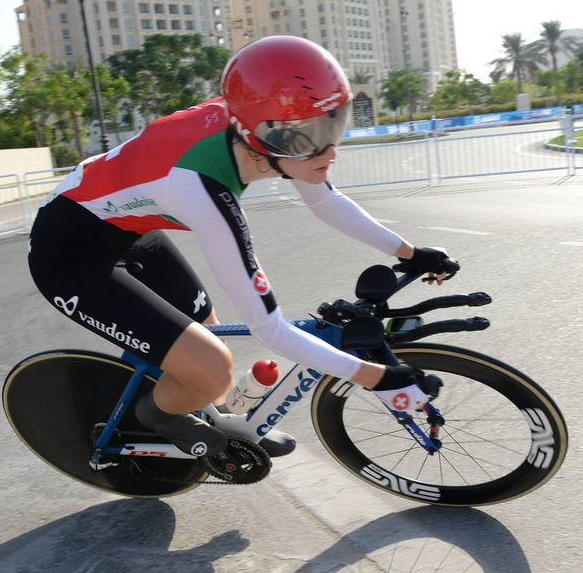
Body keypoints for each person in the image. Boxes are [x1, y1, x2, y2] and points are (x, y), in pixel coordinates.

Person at [27, 35, 458, 460]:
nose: (331, 151)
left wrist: (410, 253)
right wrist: (374, 376)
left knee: (208, 330)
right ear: (263, 138)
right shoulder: (201, 189)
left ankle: (222, 421)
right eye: (312, 136)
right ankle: (157, 413)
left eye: (335, 126)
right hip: (68, 254)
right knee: (213, 370)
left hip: (126, 229)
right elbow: (269, 328)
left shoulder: (264, 129)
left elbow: (324, 199)